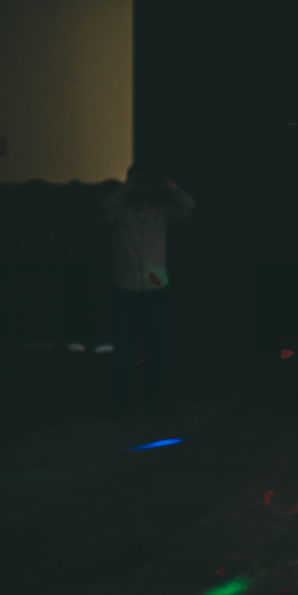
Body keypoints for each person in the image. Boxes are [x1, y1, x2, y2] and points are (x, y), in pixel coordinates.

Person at [99, 165, 195, 417]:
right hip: (126, 285)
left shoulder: (161, 211)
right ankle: (120, 400)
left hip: (154, 288)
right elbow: (105, 207)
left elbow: (188, 207)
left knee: (155, 348)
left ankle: (153, 398)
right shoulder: (121, 211)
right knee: (123, 348)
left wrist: (169, 185)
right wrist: (127, 187)